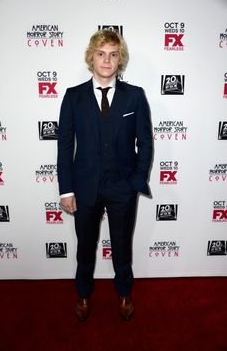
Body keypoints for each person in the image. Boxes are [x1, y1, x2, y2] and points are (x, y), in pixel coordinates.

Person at [57, 29, 153, 321]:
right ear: (92, 57)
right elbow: (64, 146)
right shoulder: (73, 97)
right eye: (101, 54)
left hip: (122, 187)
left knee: (122, 247)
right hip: (84, 187)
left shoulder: (135, 96)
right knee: (85, 247)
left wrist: (136, 181)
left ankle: (124, 293)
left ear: (119, 58)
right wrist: (66, 190)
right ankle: (83, 294)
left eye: (113, 54)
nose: (107, 60)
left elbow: (145, 142)